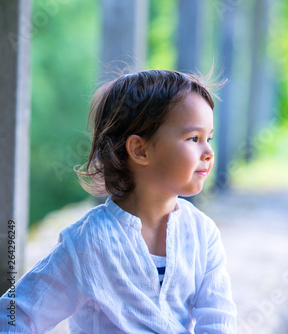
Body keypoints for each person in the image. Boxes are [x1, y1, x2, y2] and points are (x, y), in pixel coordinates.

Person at [0, 70, 237, 333]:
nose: (208, 152)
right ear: (140, 150)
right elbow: (16, 314)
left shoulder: (202, 233)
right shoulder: (88, 242)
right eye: (193, 138)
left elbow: (218, 320)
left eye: (209, 139)